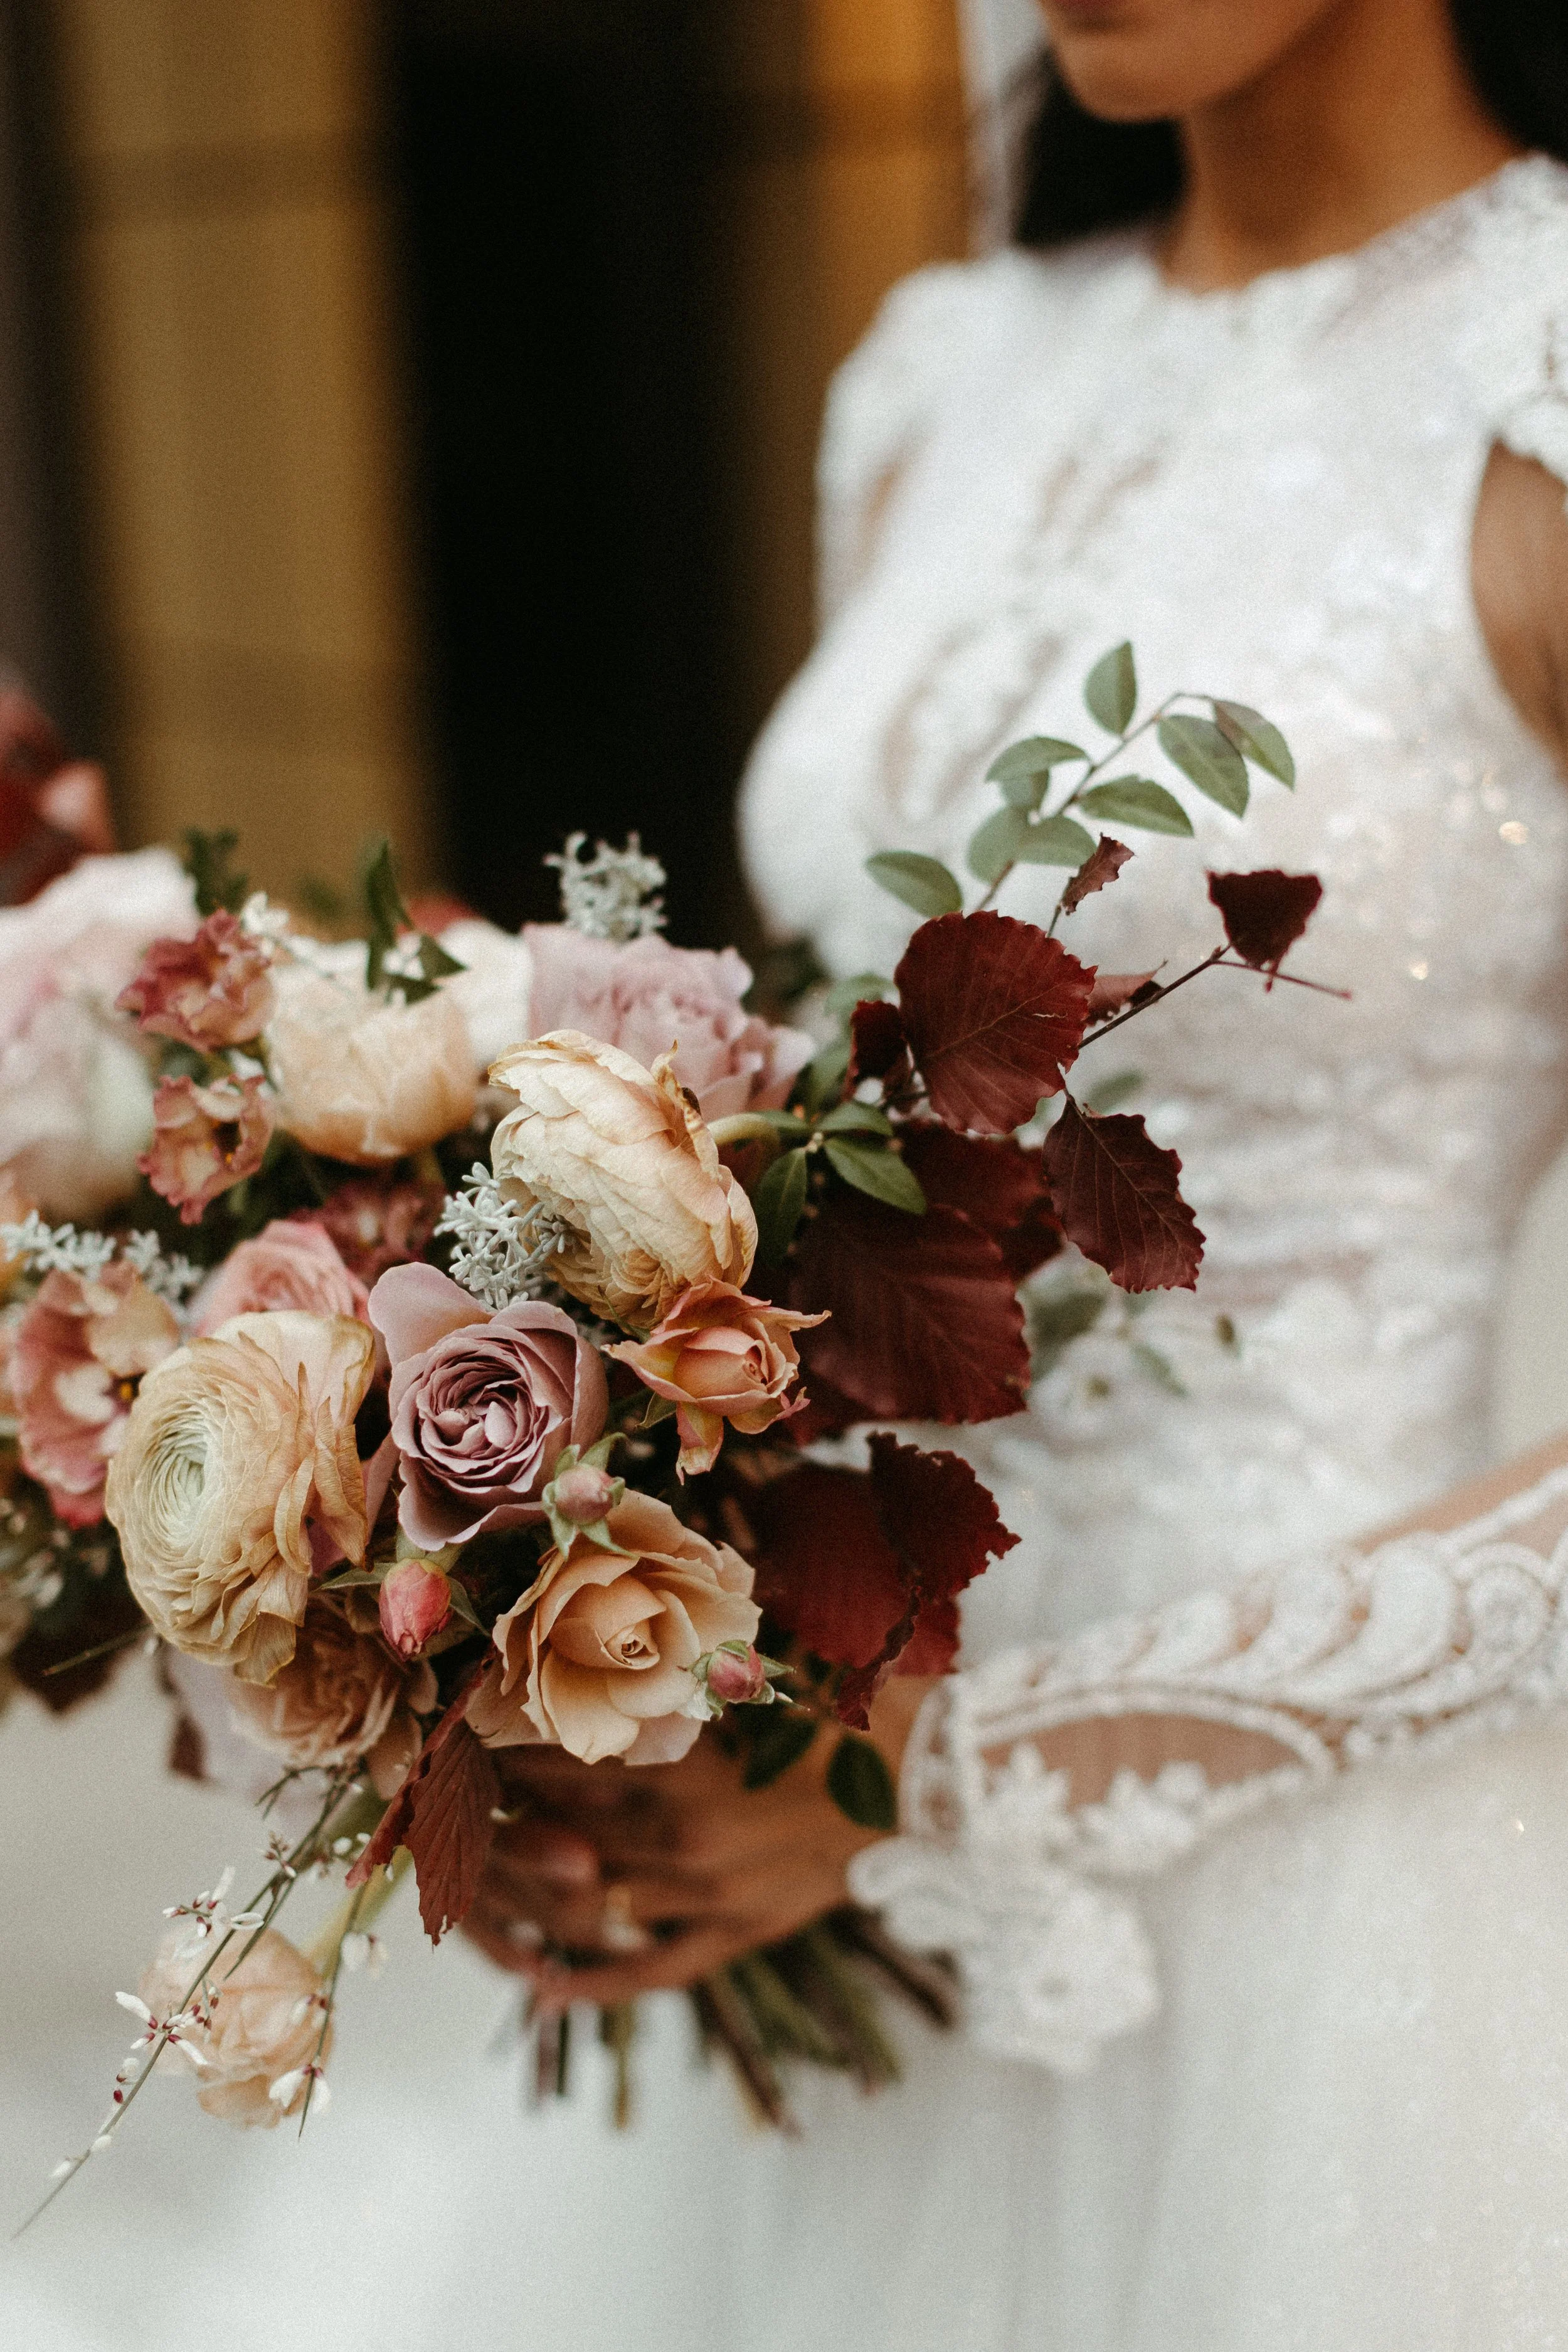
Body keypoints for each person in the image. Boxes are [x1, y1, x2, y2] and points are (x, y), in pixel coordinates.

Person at [465, 2, 1568, 2342]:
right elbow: (809, 1107)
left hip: (1328, 1920)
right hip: (812, 1811)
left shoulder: (1540, 386)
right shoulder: (943, 371)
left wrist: (950, 1766)